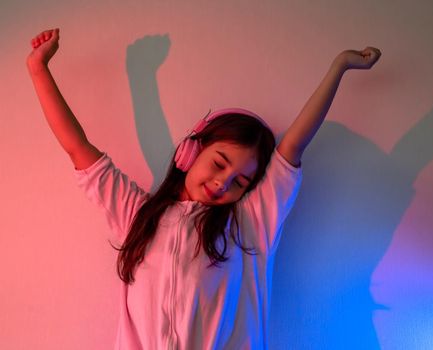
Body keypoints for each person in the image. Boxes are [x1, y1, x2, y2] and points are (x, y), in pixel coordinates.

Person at [27, 28, 381, 349]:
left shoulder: (251, 225)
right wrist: (39, 70)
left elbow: (292, 148)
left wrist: (339, 67)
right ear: (190, 151)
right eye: (219, 162)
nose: (222, 182)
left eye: (240, 181)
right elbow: (78, 149)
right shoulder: (138, 215)